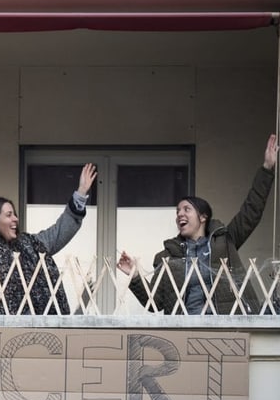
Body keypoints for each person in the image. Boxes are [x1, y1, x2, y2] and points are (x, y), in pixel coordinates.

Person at [117, 133, 278, 315]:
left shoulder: (225, 241)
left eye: (186, 209)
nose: (180, 214)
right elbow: (155, 303)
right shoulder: (167, 256)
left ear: (203, 217)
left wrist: (267, 169)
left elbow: (251, 211)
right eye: (177, 211)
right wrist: (135, 275)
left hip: (226, 327)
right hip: (186, 330)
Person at [0, 149, 97, 315]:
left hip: (41, 327)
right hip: (0, 331)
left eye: (14, 214)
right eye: (9, 215)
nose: (15, 219)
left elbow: (60, 232)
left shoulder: (32, 244)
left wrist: (81, 193)